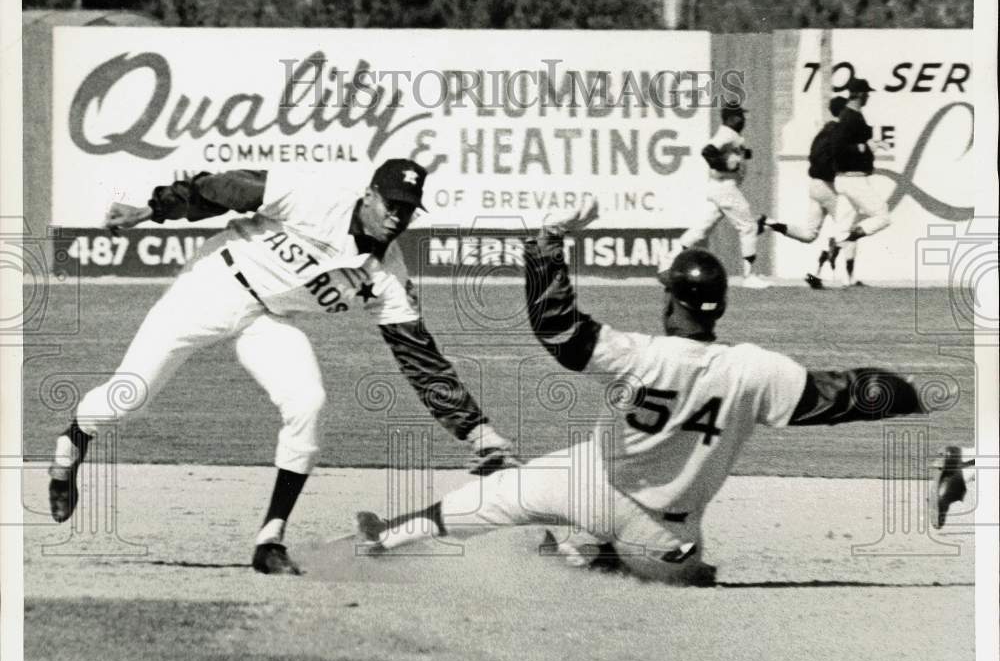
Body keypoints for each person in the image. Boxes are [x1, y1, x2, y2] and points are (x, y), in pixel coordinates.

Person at [355, 202, 962, 583]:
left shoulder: (641, 354)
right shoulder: (757, 372)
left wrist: (545, 245)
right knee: (675, 564)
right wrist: (927, 391)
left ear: (671, 301)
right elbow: (854, 393)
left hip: (589, 484)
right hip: (670, 531)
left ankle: (388, 537)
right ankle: (644, 563)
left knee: (486, 502)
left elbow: (558, 329)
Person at [47, 159, 515, 575]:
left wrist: (476, 432)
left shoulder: (388, 276)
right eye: (391, 203)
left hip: (269, 318)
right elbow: (223, 188)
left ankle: (269, 539)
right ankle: (72, 444)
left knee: (308, 402)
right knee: (128, 397)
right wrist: (153, 211)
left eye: (408, 209)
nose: (397, 215)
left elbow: (419, 357)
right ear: (369, 195)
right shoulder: (317, 198)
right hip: (212, 285)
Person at [759, 96, 858, 289]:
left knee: (809, 234)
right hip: (828, 185)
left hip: (814, 185)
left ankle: (771, 223)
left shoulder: (823, 131)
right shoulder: (839, 132)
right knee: (849, 228)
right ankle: (848, 278)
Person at [671, 101, 770, 289]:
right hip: (725, 187)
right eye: (740, 116)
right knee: (748, 226)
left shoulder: (732, 135)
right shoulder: (727, 133)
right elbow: (707, 151)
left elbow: (727, 153)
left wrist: (742, 155)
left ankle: (670, 258)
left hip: (719, 187)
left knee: (702, 229)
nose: (743, 119)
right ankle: (749, 277)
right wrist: (724, 165)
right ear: (732, 118)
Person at [828, 77, 892, 284]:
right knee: (882, 216)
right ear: (860, 94)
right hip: (853, 179)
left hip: (845, 180)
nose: (868, 97)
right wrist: (865, 147)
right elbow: (837, 148)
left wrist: (868, 144)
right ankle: (842, 242)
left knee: (842, 225)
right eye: (867, 93)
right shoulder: (850, 117)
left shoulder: (852, 116)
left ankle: (830, 275)